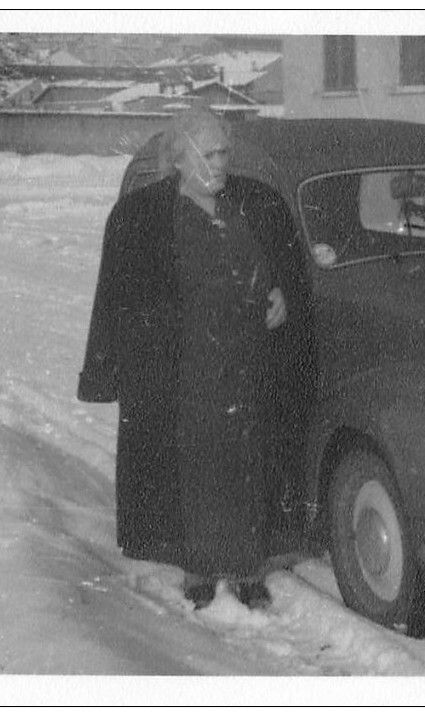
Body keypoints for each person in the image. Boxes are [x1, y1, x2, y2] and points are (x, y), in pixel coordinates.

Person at [77, 110, 287, 608]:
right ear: (178, 159)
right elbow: (118, 298)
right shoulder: (148, 215)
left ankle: (243, 568)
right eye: (207, 154)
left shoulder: (243, 207)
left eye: (223, 154)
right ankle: (197, 570)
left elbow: (269, 268)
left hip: (242, 366)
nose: (220, 164)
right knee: (193, 467)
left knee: (243, 465)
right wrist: (111, 369)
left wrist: (277, 296)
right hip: (186, 368)